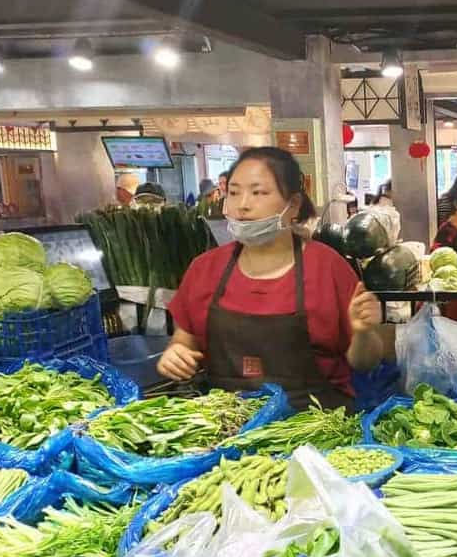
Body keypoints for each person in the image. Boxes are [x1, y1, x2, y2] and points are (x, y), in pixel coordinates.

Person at [157, 146, 384, 411]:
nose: (243, 205)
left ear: (294, 204)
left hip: (315, 422)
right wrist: (175, 355)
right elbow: (184, 341)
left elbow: (365, 362)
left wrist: (364, 333)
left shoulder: (328, 269)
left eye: (258, 193)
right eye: (234, 192)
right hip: (226, 423)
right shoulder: (205, 269)